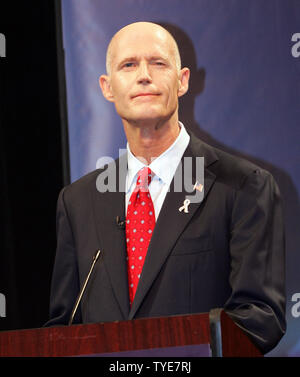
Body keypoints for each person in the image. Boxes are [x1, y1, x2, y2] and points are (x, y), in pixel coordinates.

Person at [46, 22, 286, 354]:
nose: (144, 75)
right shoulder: (78, 202)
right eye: (128, 65)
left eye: (158, 63)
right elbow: (63, 328)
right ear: (107, 87)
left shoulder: (243, 186)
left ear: (182, 80)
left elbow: (260, 317)